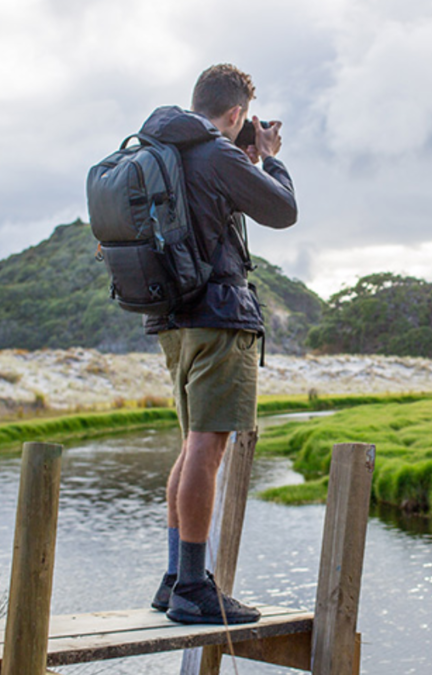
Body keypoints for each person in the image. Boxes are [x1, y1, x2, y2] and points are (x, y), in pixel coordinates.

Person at [138, 64, 297, 624]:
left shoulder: (162, 150)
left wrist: (243, 160)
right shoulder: (216, 153)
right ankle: (192, 590)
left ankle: (175, 577)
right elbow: (282, 211)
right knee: (208, 448)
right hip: (218, 318)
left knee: (190, 446)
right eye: (244, 119)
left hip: (171, 321)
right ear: (236, 114)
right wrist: (270, 157)